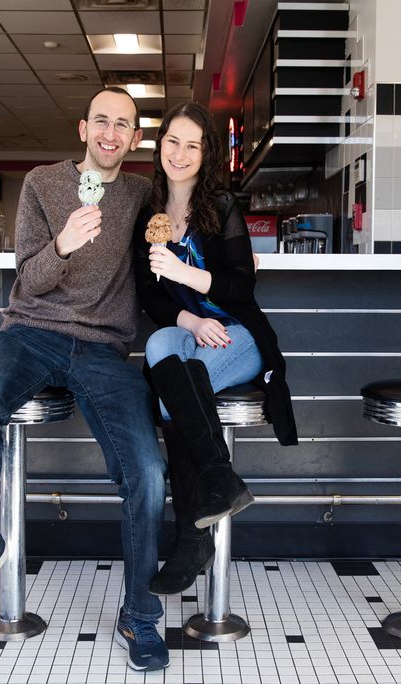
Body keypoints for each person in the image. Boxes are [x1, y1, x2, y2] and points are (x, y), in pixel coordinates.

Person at [0, 87, 170, 672]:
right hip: (30, 332)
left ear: (136, 139)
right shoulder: (42, 182)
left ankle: (139, 613)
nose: (111, 134)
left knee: (148, 470)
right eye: (102, 122)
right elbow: (29, 280)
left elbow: (191, 211)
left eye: (124, 126)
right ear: (83, 128)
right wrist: (64, 243)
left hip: (103, 350)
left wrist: (237, 252)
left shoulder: (142, 193)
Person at [134, 103, 298, 595]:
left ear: (206, 154)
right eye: (172, 142)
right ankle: (220, 482)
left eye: (192, 145)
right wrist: (191, 319)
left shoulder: (222, 207)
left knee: (169, 396)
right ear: (159, 145)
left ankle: (190, 537)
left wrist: (185, 274)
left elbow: (241, 286)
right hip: (193, 329)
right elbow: (150, 296)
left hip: (237, 334)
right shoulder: (149, 214)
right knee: (161, 343)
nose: (179, 154)